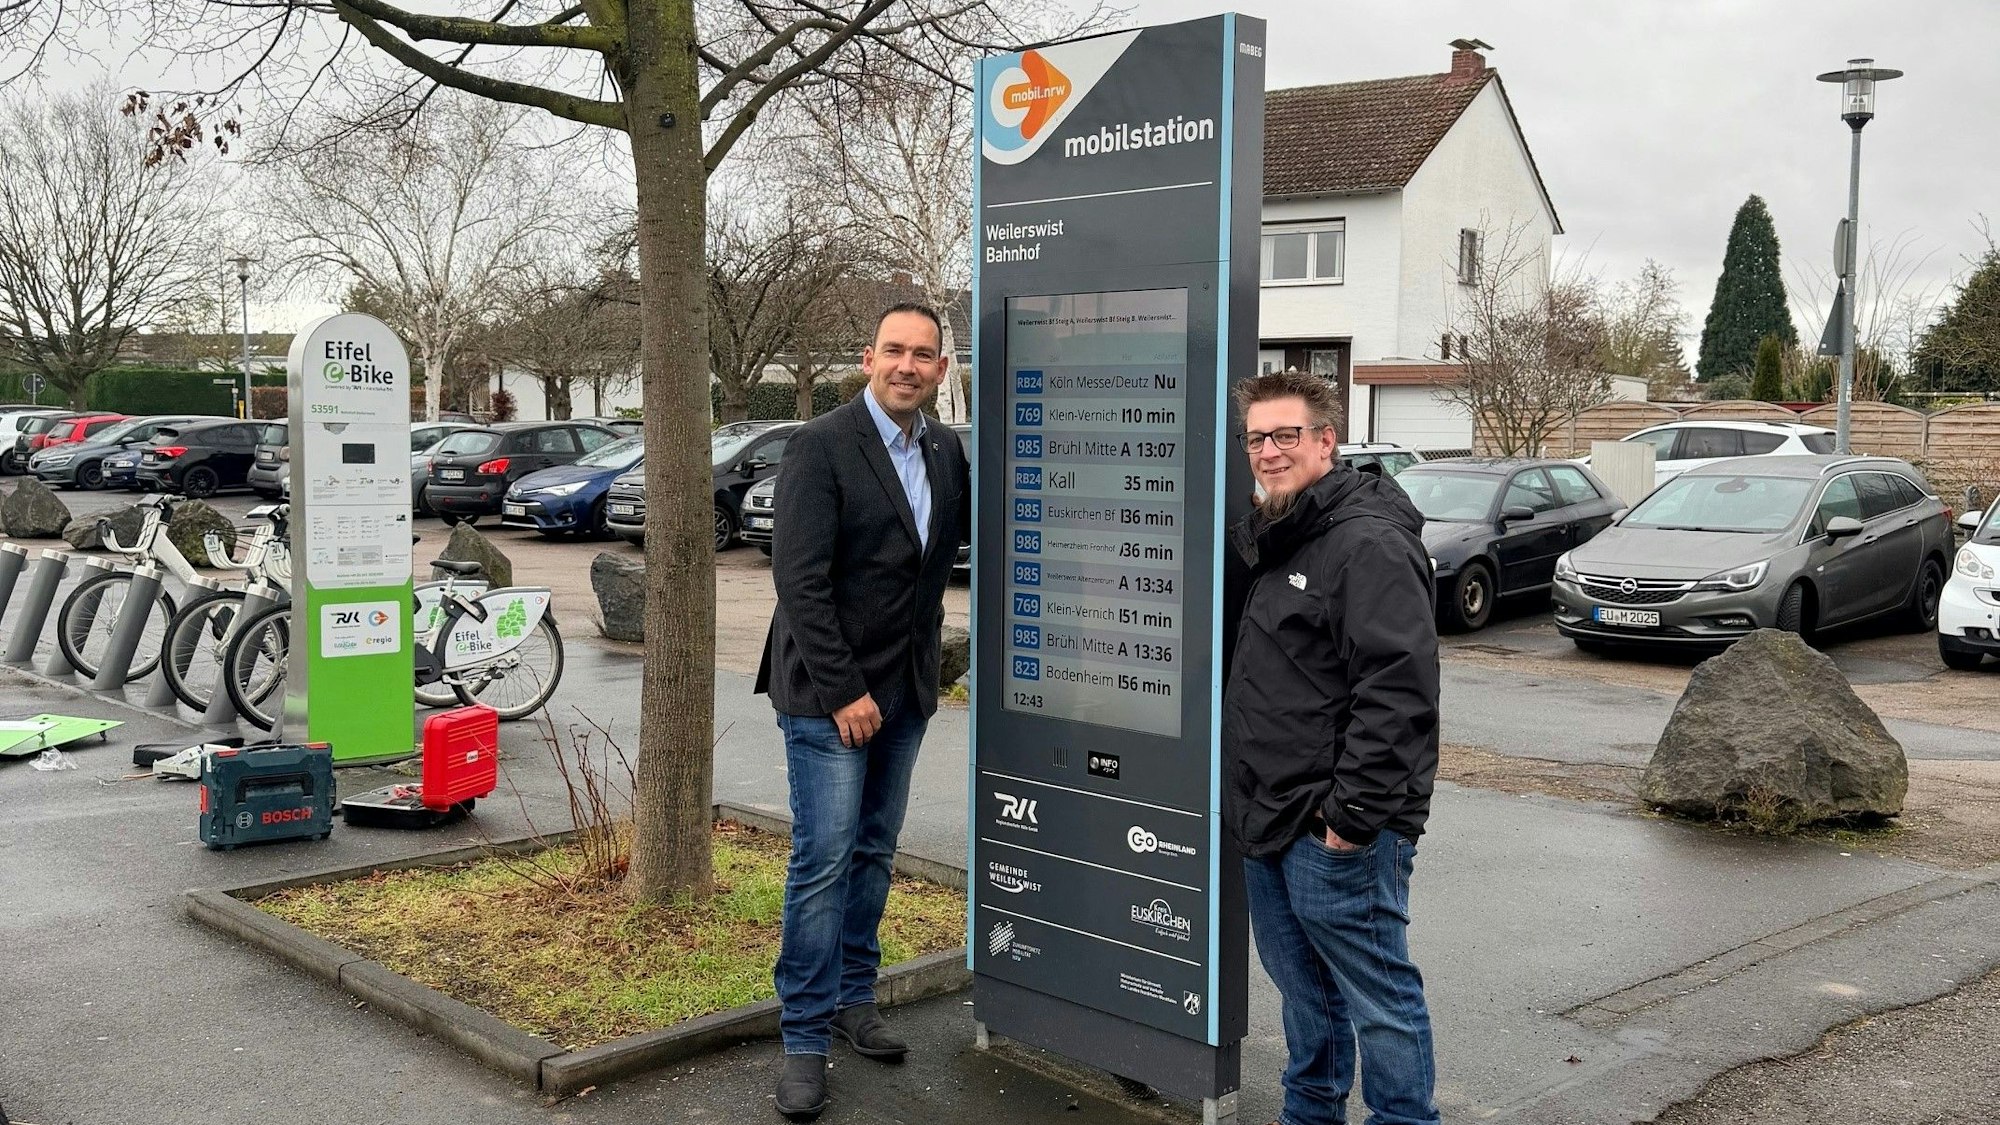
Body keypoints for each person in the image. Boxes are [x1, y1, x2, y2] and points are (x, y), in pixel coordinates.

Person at [755, 302, 970, 1120]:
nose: (908, 365)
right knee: (823, 861)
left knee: (874, 850)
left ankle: (853, 998)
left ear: (941, 369)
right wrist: (845, 691)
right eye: (894, 350)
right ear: (868, 357)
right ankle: (804, 1037)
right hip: (828, 694)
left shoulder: (945, 449)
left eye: (923, 354)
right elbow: (799, 581)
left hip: (905, 690)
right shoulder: (820, 445)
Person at [1221, 371, 1442, 1125]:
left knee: (1379, 996)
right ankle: (1309, 1113)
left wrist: (1350, 817)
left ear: (1326, 441)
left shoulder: (1366, 542)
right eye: (1256, 438)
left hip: (1337, 826)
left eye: (1286, 435)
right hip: (1271, 812)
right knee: (1305, 994)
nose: (1269, 451)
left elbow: (1399, 691)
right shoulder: (1279, 532)